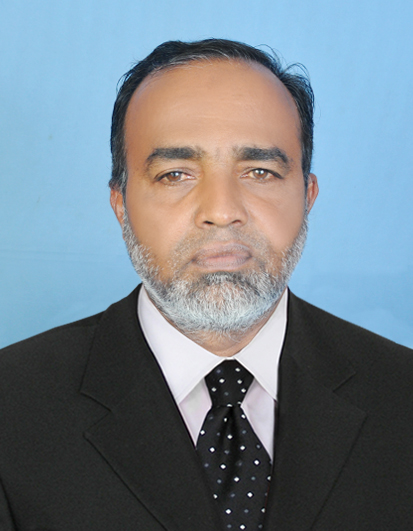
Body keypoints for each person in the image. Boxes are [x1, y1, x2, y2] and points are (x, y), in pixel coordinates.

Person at [0, 38, 412, 531]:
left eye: (259, 171)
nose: (221, 211)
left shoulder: (402, 397)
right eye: (175, 174)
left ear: (308, 195)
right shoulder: (12, 406)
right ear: (120, 204)